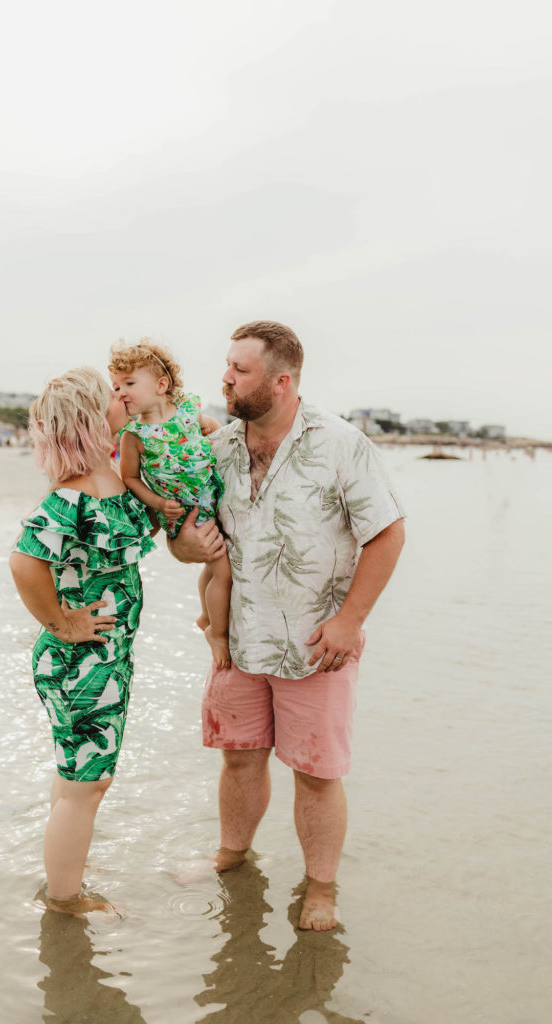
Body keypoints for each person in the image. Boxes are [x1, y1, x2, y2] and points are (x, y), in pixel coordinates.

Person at [170, 321, 405, 931]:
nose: (224, 377)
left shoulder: (341, 443)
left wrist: (350, 622)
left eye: (239, 370)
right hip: (238, 642)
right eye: (226, 365)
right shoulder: (216, 449)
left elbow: (387, 533)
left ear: (282, 381)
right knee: (239, 759)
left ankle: (321, 888)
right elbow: (186, 542)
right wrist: (188, 547)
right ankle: (232, 854)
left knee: (317, 774)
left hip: (317, 643)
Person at [9, 367, 157, 915]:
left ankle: (65, 861)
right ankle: (64, 899)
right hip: (78, 661)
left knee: (79, 777)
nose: (124, 400)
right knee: (85, 784)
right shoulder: (69, 499)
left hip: (106, 658)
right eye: (112, 398)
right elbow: (25, 563)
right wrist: (62, 623)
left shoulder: (113, 480)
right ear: (91, 422)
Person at [108, 340, 233, 669]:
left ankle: (207, 615)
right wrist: (160, 504)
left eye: (129, 384)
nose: (121, 392)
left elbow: (218, 438)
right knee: (223, 571)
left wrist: (217, 432)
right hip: (184, 513)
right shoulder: (134, 435)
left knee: (213, 568)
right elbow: (131, 479)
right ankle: (218, 634)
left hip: (213, 501)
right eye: (116, 386)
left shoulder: (191, 413)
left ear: (162, 385)